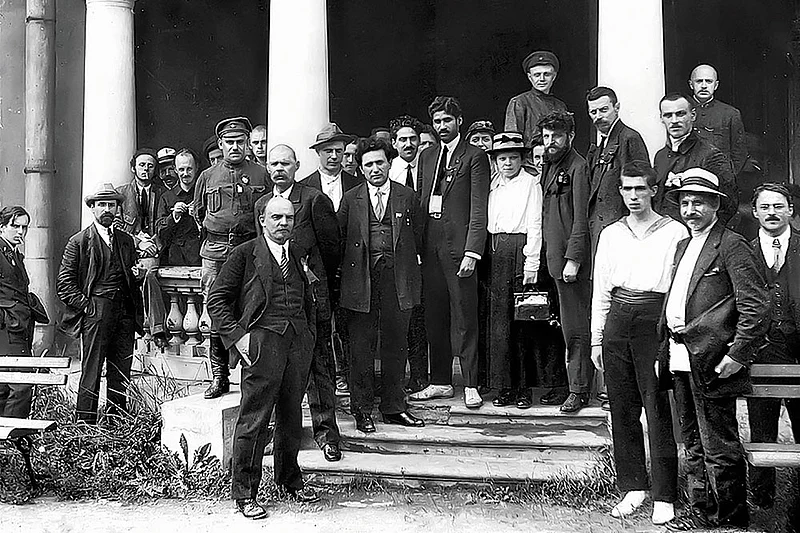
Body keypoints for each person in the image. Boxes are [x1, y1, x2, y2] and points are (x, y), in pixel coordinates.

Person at [660, 168, 768, 531]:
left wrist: (737, 354)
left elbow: (755, 306)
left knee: (718, 445)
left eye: (699, 203)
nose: (690, 210)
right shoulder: (682, 245)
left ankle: (732, 520)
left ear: (716, 206)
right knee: (690, 440)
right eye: (685, 203)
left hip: (713, 359)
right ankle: (702, 514)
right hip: (680, 354)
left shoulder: (732, 244)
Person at [207, 196, 321, 520]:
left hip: (297, 345)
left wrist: (309, 336)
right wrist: (238, 337)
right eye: (276, 218)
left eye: (288, 218)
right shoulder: (244, 254)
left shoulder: (298, 253)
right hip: (261, 347)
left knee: (291, 418)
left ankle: (290, 480)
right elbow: (217, 299)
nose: (283, 223)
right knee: (254, 419)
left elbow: (308, 299)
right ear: (263, 220)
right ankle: (245, 492)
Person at [589, 161, 686, 525]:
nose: (633, 196)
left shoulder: (674, 231)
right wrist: (598, 338)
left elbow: (679, 287)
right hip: (618, 319)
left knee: (658, 406)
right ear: (620, 192)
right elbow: (601, 288)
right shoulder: (612, 233)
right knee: (622, 407)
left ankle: (664, 494)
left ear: (653, 191)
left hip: (654, 320)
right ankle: (633, 486)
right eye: (627, 190)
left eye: (640, 189)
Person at [253, 144, 343, 463]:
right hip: (277, 304)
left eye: (286, 163)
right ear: (267, 167)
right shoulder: (263, 204)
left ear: (296, 166)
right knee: (278, 370)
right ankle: (276, 435)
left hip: (312, 299)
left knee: (319, 367)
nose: (279, 168)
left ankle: (327, 434)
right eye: (274, 163)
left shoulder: (313, 199)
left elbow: (332, 250)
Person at [338, 137, 425, 432]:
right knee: (361, 347)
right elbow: (340, 240)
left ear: (389, 163)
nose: (375, 168)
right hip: (361, 280)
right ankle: (361, 410)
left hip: (397, 279)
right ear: (361, 169)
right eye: (369, 164)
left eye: (380, 162)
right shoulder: (351, 199)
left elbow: (420, 238)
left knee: (396, 344)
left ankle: (394, 407)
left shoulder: (407, 197)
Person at [410, 96, 490, 409]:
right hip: (430, 245)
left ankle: (470, 383)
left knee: (465, 316)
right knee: (434, 316)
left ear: (459, 121)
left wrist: (473, 251)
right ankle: (440, 381)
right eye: (437, 121)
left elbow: (479, 208)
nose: (442, 126)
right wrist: (417, 248)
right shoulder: (427, 155)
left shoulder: (475, 156)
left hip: (460, 248)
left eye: (447, 120)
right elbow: (420, 200)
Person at [194, 116, 270, 400]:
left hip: (248, 251)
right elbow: (198, 213)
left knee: (251, 307)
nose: (235, 147)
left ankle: (252, 377)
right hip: (215, 253)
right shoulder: (208, 177)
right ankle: (219, 377)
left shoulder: (261, 174)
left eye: (240, 142)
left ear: (248, 144)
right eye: (229, 142)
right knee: (217, 310)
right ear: (221, 145)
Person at [57, 183, 144, 424]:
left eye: (112, 205)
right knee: (92, 370)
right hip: (96, 312)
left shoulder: (126, 241)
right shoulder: (79, 241)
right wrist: (87, 307)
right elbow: (64, 284)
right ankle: (85, 425)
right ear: (92, 208)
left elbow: (129, 274)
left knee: (121, 373)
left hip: (124, 313)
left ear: (118, 208)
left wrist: (136, 275)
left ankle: (117, 425)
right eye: (102, 205)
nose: (107, 209)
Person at [747, 182, 800, 509]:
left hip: (799, 350)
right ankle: (762, 501)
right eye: (765, 207)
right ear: (755, 213)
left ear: (790, 211)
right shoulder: (746, 252)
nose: (771, 213)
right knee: (761, 426)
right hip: (762, 349)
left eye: (778, 206)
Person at [483, 132, 542, 409]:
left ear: (522, 159)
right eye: (502, 158)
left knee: (521, 323)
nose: (507, 163)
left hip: (519, 250)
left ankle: (523, 389)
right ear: (495, 161)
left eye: (513, 158)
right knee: (499, 325)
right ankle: (503, 386)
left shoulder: (531, 184)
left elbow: (535, 224)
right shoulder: (492, 185)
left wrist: (531, 262)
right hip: (495, 251)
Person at [539, 111, 593, 413]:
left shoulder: (578, 167)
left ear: (570, 136)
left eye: (556, 136)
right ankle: (565, 385)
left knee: (575, 328)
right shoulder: (550, 166)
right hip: (553, 259)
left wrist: (574, 258)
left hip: (570, 264)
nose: (551, 142)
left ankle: (579, 389)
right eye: (546, 137)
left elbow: (581, 220)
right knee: (559, 327)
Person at [303, 122, 360, 396]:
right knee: (322, 325)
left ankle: (349, 377)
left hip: (350, 268)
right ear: (318, 153)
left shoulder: (357, 185)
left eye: (339, 151)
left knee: (349, 325)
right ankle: (325, 379)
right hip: (320, 271)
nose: (335, 156)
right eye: (328, 151)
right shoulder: (304, 188)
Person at [387, 115, 429, 393]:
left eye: (413, 139)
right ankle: (395, 377)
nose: (409, 144)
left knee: (419, 317)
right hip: (393, 257)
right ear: (394, 143)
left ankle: (419, 374)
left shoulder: (428, 168)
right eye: (402, 139)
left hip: (422, 250)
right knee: (397, 317)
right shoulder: (386, 172)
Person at [653, 93, 738, 224]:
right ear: (661, 118)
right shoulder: (660, 156)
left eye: (680, 114)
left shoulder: (711, 155)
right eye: (668, 115)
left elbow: (728, 205)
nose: (674, 121)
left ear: (693, 115)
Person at [586, 86, 650, 254]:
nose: (598, 117)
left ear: (617, 108)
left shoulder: (630, 138)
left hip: (623, 232)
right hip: (601, 232)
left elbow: (641, 189)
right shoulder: (601, 145)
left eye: (604, 110)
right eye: (593, 112)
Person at [0, 206, 47, 418]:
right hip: (7, 330)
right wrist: (5, 318)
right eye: (15, 226)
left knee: (7, 388)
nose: (21, 232)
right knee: (21, 386)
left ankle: (8, 442)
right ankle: (10, 441)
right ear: (2, 227)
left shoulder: (14, 255)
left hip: (20, 329)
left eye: (24, 227)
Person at [689, 64, 747, 176]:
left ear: (716, 85)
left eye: (709, 81)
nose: (704, 86)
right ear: (691, 84)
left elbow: (739, 153)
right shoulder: (682, 112)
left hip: (719, 179)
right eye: (699, 81)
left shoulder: (730, 114)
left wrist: (728, 176)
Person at [504, 51, 568, 149]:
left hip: (556, 160)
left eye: (546, 74)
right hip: (529, 162)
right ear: (530, 77)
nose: (542, 79)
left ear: (554, 76)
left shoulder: (560, 106)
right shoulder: (519, 103)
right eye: (537, 75)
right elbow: (512, 142)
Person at [155, 148, 202, 266]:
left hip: (200, 255)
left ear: (196, 168)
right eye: (181, 169)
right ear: (175, 170)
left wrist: (198, 216)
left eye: (189, 169)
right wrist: (174, 216)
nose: (185, 173)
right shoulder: (166, 197)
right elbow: (159, 231)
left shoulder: (203, 193)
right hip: (174, 257)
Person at [116, 148, 163, 262]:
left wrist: (153, 244)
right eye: (142, 165)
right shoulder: (120, 194)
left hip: (154, 249)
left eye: (150, 166)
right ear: (133, 168)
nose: (146, 168)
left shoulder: (162, 193)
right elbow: (115, 227)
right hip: (127, 249)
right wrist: (138, 242)